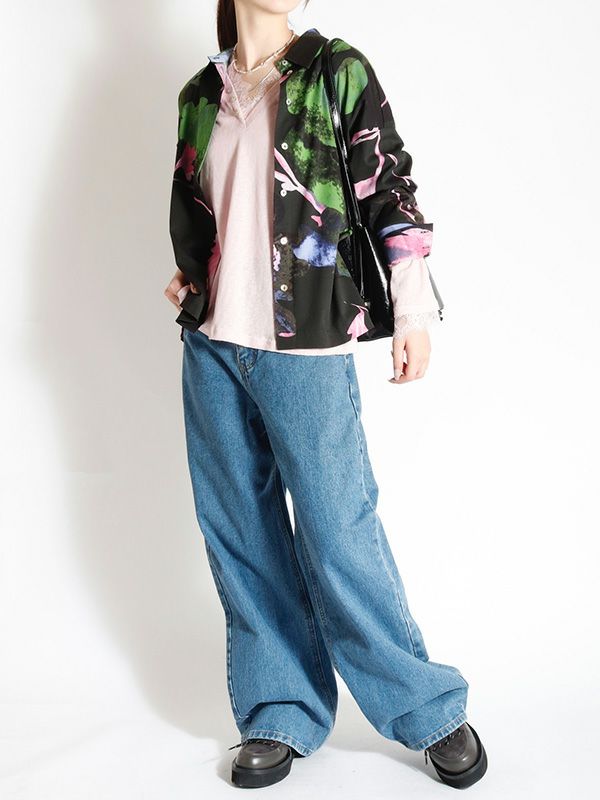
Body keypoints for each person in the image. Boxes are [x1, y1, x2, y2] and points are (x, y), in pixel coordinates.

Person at [165, 0, 487, 790]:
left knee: (339, 528)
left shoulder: (335, 70)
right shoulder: (201, 94)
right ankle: (279, 711)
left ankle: (426, 709)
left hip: (306, 343)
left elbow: (389, 188)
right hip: (213, 346)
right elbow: (203, 206)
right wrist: (192, 276)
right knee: (241, 535)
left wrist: (413, 311)